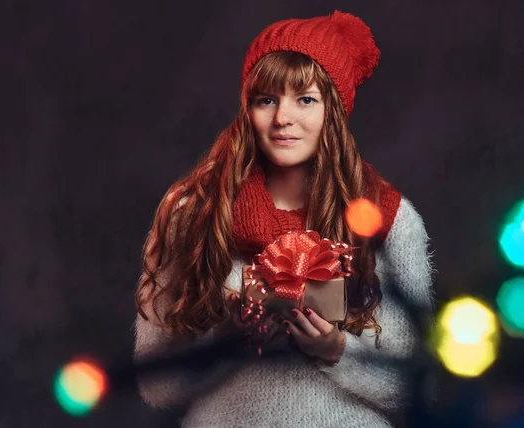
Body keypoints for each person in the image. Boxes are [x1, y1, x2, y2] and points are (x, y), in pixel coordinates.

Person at [133, 10, 434, 428]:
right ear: (248, 107)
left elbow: (414, 383)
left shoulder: (386, 220)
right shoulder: (194, 214)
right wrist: (225, 337)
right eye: (267, 99)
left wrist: (335, 349)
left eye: (305, 99)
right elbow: (156, 385)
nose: (282, 119)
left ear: (334, 110)